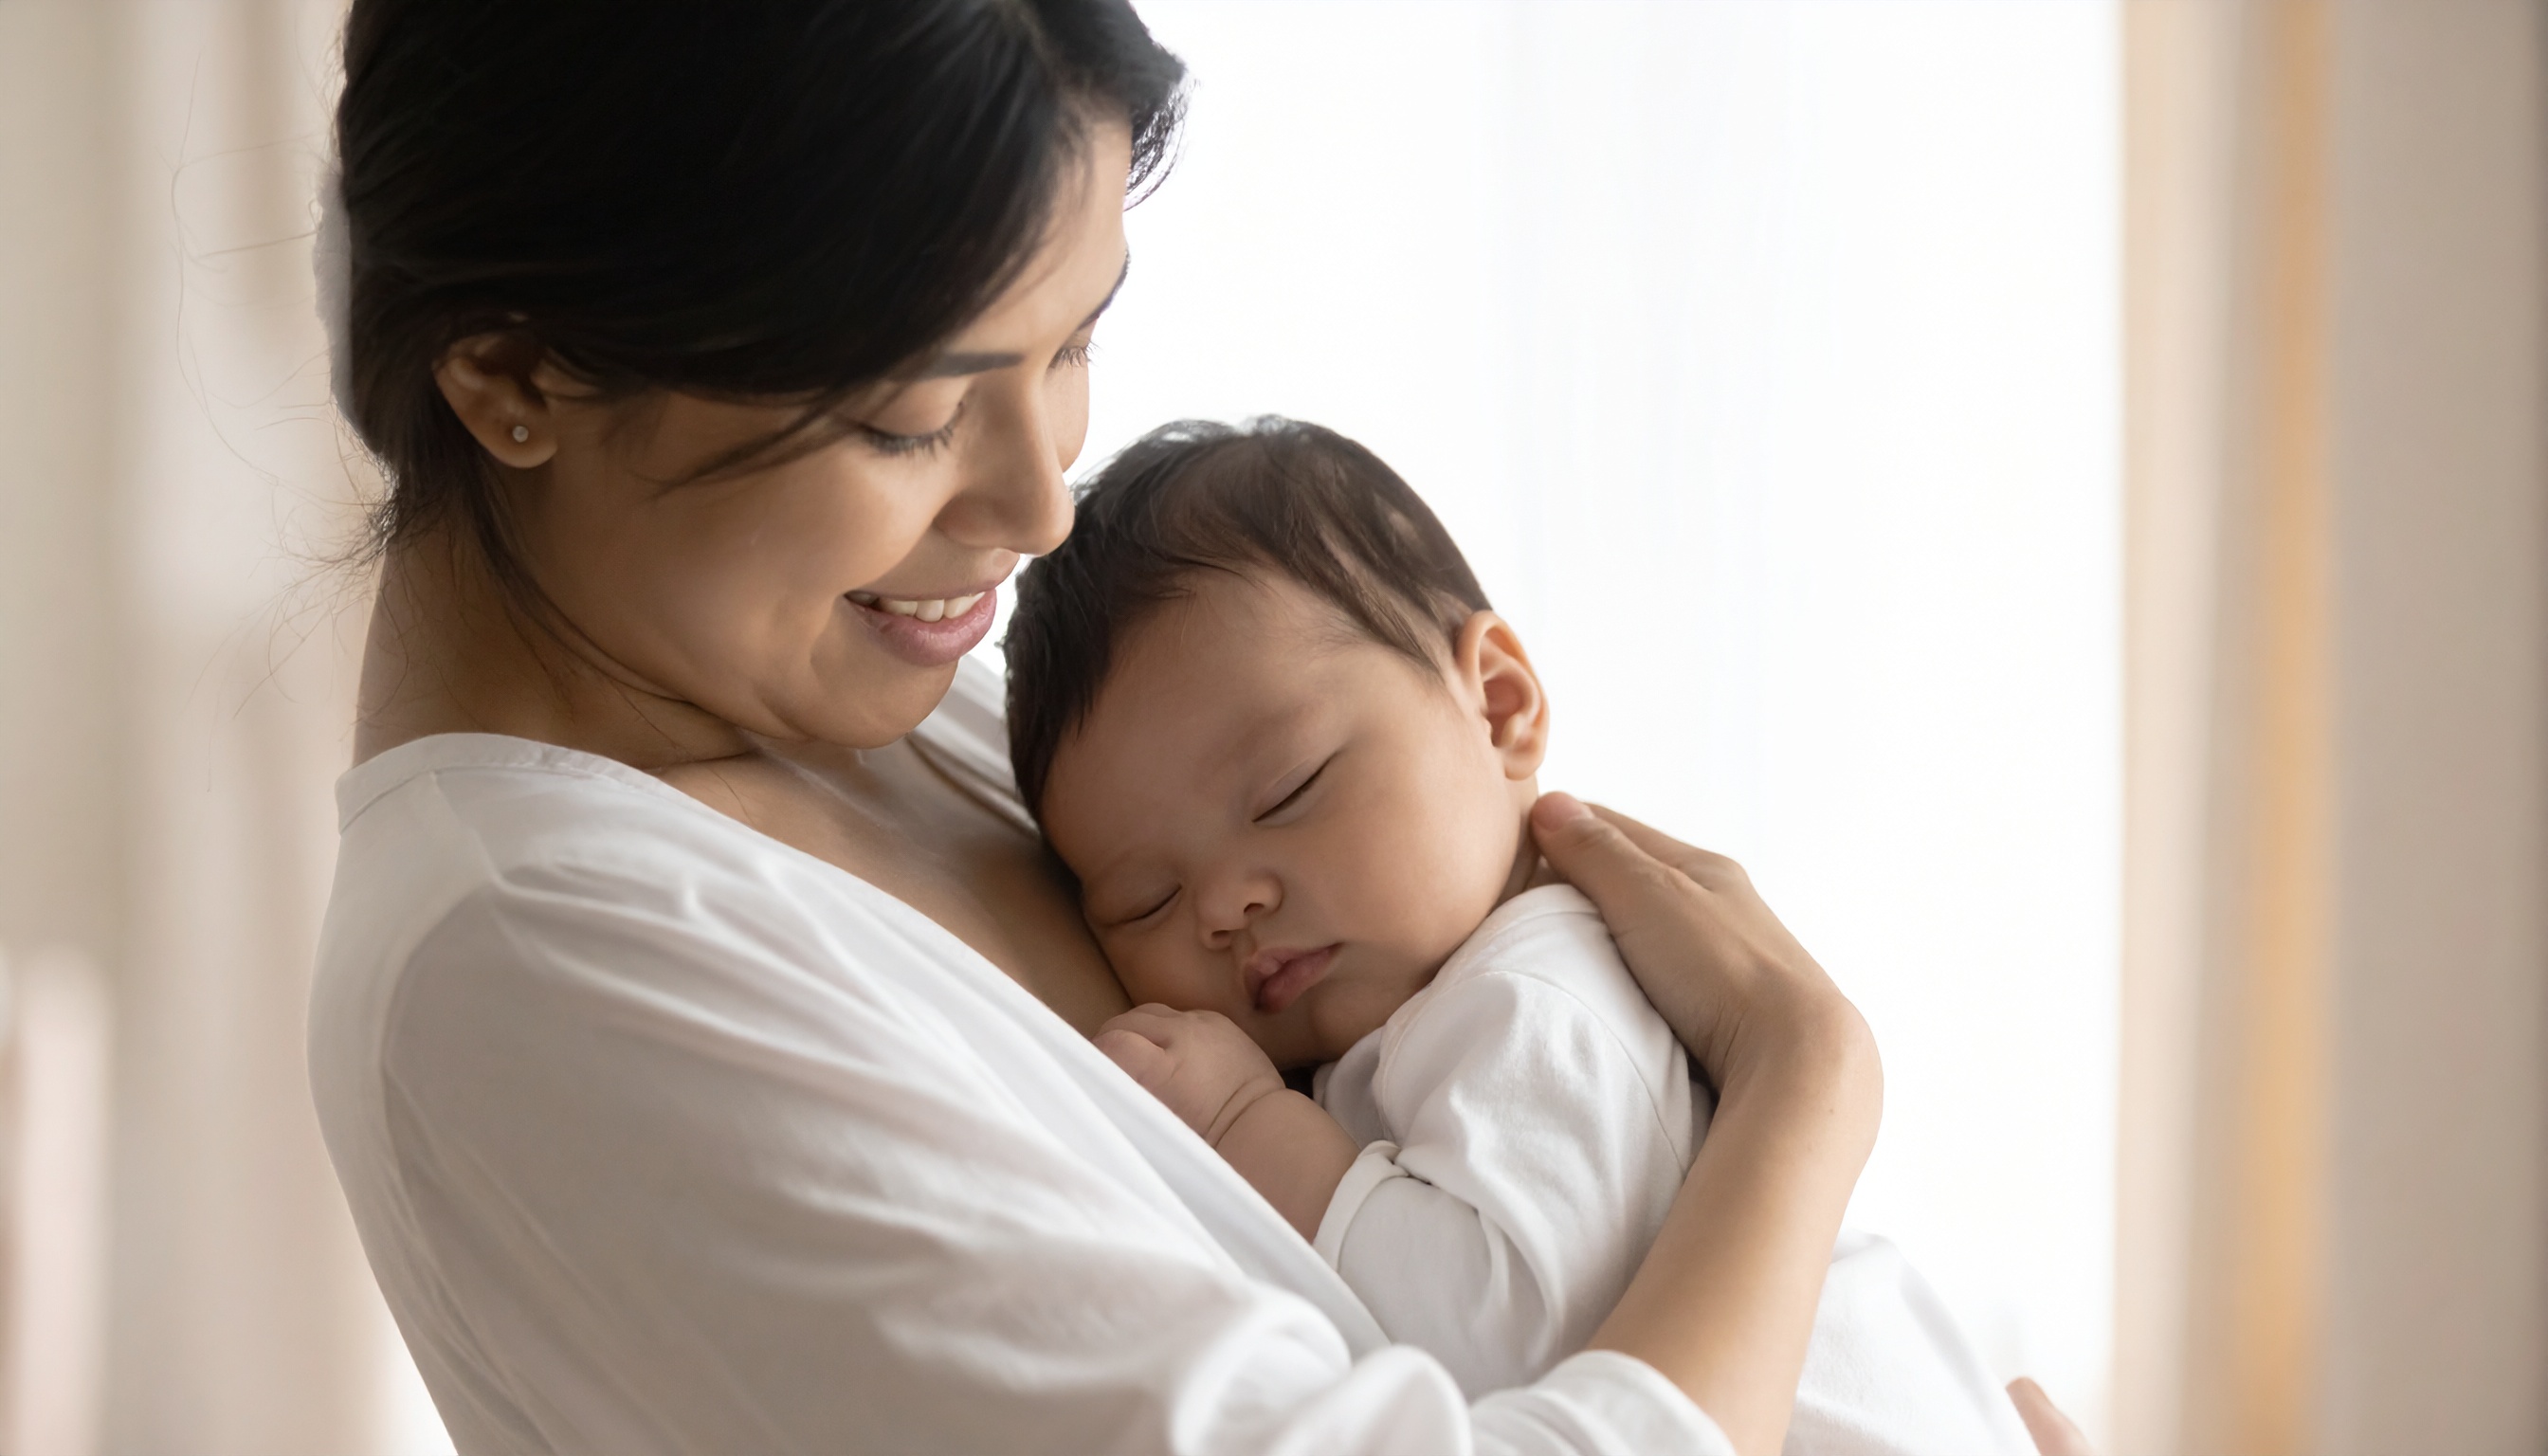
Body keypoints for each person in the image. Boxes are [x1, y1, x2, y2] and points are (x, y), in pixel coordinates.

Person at [305, 2, 2087, 1452]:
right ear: (519, 377)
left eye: (1071, 345)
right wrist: (1802, 1082)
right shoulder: (538, 963)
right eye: (911, 418)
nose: (1039, 500)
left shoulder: (918, 720)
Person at [1002, 418, 2036, 1455]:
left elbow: (1521, 1341)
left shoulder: (1531, 992)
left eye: (1288, 791)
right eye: (1145, 900)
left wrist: (1245, 1127)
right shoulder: (1427, 1013)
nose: (1224, 906)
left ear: (1497, 706)